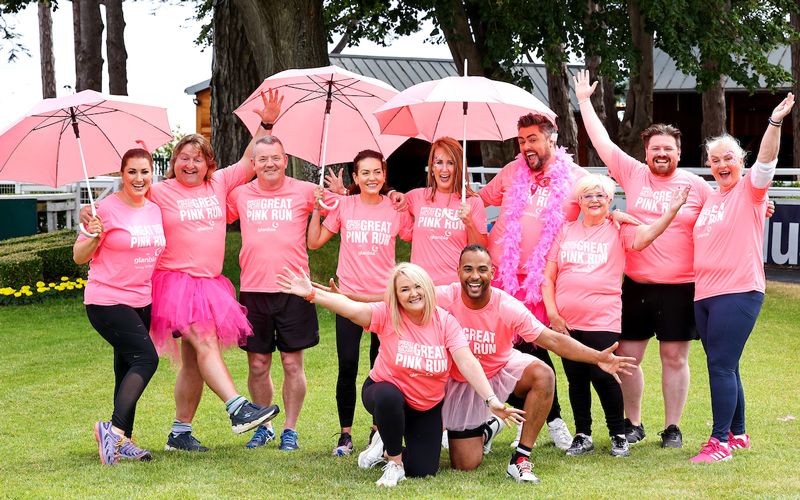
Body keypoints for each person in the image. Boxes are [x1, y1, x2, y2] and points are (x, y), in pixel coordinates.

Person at [278, 262, 524, 487]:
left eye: (417, 286)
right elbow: (350, 308)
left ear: (428, 288)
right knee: (389, 396)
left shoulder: (445, 322)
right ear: (396, 295)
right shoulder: (387, 315)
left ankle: (383, 445)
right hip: (383, 393)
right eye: (404, 289)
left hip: (425, 406)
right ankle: (394, 463)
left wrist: (491, 400)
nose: (413, 293)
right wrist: (312, 293)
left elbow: (467, 361)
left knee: (423, 470)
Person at [574, 70, 717, 447]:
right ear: (646, 152)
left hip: (680, 287)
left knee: (674, 358)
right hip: (636, 286)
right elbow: (603, 144)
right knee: (627, 358)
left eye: (668, 148)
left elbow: (727, 211)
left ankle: (672, 427)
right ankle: (633, 423)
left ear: (679, 152)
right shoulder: (634, 175)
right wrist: (585, 101)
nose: (661, 153)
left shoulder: (697, 186)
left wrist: (761, 205)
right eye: (655, 148)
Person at [437, 244, 636, 483]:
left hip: (500, 369)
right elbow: (401, 299)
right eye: (468, 269)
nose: (475, 276)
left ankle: (521, 458)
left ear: (492, 272)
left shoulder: (506, 305)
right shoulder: (443, 297)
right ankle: (489, 427)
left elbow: (552, 339)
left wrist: (598, 357)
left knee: (543, 373)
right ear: (457, 271)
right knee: (465, 464)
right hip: (461, 380)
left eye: (482, 269)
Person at [542, 174, 688, 457]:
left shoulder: (618, 229)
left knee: (605, 376)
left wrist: (671, 211)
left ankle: (618, 434)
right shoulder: (565, 231)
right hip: (566, 321)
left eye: (600, 195)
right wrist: (552, 314)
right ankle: (582, 434)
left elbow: (646, 237)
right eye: (587, 196)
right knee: (576, 379)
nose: (594, 200)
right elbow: (548, 277)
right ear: (579, 201)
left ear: (609, 200)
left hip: (602, 320)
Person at [690, 93, 794, 463]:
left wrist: (774, 123)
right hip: (705, 294)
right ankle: (738, 434)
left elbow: (767, 161)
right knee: (724, 364)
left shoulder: (750, 191)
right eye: (715, 160)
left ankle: (719, 443)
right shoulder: (711, 199)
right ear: (708, 165)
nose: (722, 165)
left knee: (720, 365)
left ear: (740, 162)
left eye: (729, 158)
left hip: (739, 291)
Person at [477, 113, 592, 450]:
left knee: (541, 348)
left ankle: (552, 420)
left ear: (551, 139)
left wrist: (618, 217)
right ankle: (549, 420)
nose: (526, 146)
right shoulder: (512, 172)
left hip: (545, 281)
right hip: (506, 278)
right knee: (510, 350)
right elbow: (479, 199)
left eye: (532, 139)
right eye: (522, 140)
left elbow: (598, 205)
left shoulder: (575, 177)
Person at [227, 135, 338, 451]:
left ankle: (290, 429)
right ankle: (264, 428)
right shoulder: (240, 194)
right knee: (258, 364)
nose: (269, 164)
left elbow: (350, 208)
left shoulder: (306, 191)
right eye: (262, 159)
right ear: (254, 163)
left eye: (275, 157)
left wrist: (334, 196)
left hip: (294, 289)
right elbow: (208, 208)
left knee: (292, 363)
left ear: (285, 160)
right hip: (253, 290)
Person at [307, 150, 413, 456]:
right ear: (355, 177)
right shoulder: (344, 205)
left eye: (377, 172)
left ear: (384, 175)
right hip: (349, 299)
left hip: (384, 302)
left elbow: (413, 235)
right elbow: (314, 243)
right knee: (348, 366)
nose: (371, 178)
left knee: (381, 369)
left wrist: (402, 200)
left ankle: (378, 430)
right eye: (364, 173)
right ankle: (345, 434)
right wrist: (316, 209)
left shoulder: (393, 209)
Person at [74, 148, 166, 465]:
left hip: (142, 300)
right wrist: (93, 236)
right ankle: (112, 431)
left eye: (144, 172)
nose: (139, 178)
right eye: (132, 172)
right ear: (121, 174)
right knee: (146, 359)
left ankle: (123, 439)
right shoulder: (105, 210)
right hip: (107, 300)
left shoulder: (154, 209)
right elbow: (79, 256)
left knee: (127, 368)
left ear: (151, 173)